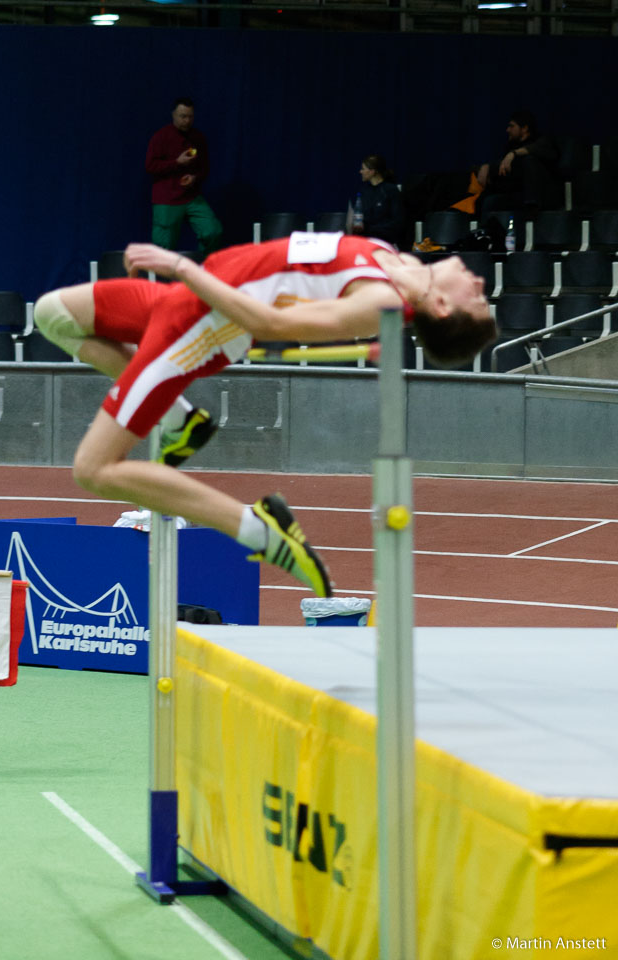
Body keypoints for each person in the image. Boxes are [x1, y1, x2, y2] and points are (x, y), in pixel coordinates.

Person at [33, 233, 496, 599]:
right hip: (182, 301)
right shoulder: (403, 263)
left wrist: (180, 266)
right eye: (483, 295)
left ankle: (259, 529)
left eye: (477, 299)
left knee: (92, 469)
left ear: (440, 307)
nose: (479, 284)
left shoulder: (381, 301)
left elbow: (269, 326)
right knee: (51, 313)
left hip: (195, 326)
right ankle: (179, 421)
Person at [145, 97, 223, 258]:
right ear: (173, 115)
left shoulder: (198, 138)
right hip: (167, 199)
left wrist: (194, 178)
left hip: (191, 197)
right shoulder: (161, 137)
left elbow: (204, 168)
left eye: (190, 116)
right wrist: (176, 163)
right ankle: (163, 281)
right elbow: (150, 166)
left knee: (212, 231)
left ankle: (204, 271)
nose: (186, 120)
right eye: (182, 116)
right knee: (163, 246)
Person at [477, 110, 561, 221]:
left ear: (525, 128)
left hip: (541, 197)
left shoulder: (542, 141)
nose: (508, 130)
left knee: (529, 160)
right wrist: (486, 166)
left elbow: (540, 150)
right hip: (518, 194)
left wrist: (513, 154)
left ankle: (532, 210)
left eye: (512, 126)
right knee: (489, 202)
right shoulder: (511, 145)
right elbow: (502, 165)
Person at [351, 155, 404, 245]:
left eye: (363, 169)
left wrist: (370, 229)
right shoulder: (364, 192)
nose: (360, 172)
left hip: (385, 241)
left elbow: (397, 222)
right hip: (366, 241)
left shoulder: (390, 190)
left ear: (372, 171)